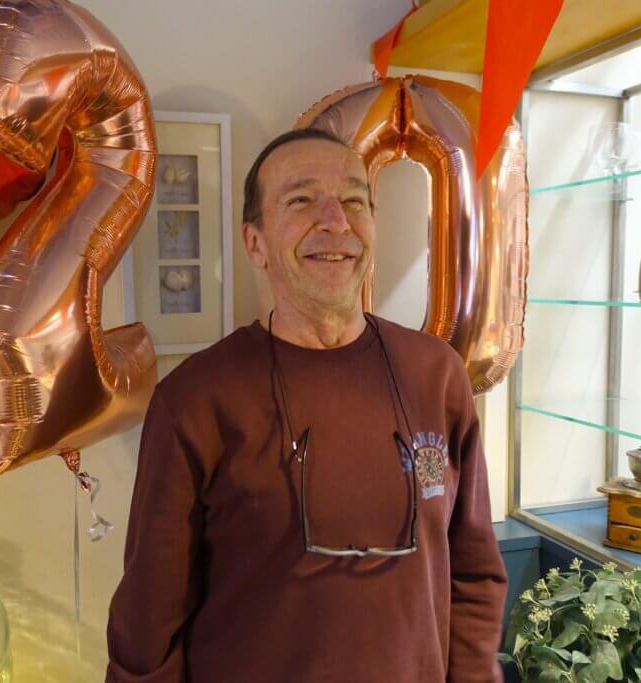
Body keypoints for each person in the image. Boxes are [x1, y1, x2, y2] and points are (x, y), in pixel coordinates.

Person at [106, 127, 507, 682]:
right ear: (255, 243)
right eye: (301, 200)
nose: (335, 222)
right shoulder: (196, 399)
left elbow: (474, 571)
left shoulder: (436, 374)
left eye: (353, 201)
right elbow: (148, 621)